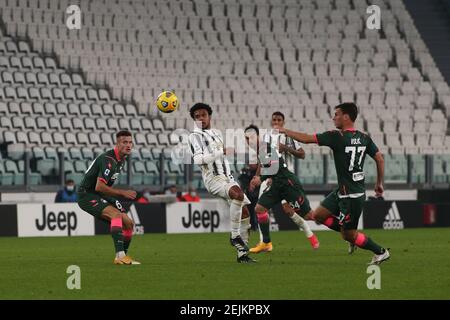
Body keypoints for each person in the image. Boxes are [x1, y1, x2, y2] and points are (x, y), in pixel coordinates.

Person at [276, 102, 390, 265]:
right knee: (318, 216)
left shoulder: (337, 137)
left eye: (336, 114)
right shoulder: (364, 138)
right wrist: (379, 184)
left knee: (348, 234)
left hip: (351, 195)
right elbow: (379, 158)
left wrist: (285, 131)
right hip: (342, 191)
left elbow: (308, 139)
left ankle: (380, 252)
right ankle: (350, 235)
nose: (333, 117)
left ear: (346, 116)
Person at [188, 102, 255, 263]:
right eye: (197, 117)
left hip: (228, 178)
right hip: (214, 179)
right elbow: (198, 159)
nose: (200, 118)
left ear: (209, 116)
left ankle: (242, 255)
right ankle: (234, 236)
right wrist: (221, 151)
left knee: (245, 213)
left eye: (203, 115)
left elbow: (221, 157)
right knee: (238, 195)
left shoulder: (216, 134)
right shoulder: (194, 136)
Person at [245, 125, 320, 253]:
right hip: (272, 180)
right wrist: (258, 176)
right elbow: (263, 163)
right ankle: (265, 242)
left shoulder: (289, 138)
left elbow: (302, 154)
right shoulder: (266, 141)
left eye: (279, 120)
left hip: (286, 180)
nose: (276, 122)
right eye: (274, 120)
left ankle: (314, 232)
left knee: (297, 212)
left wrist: (285, 148)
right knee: (260, 208)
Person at [77, 130, 140, 265]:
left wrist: (113, 198)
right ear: (117, 144)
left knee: (128, 223)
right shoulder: (108, 160)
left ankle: (123, 256)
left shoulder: (121, 160)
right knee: (116, 215)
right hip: (86, 195)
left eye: (130, 142)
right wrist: (122, 193)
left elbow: (103, 189)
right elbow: (99, 186)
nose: (128, 145)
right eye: (124, 142)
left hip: (100, 195)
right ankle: (119, 256)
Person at [237, 163, 260, 231]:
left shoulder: (258, 172)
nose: (251, 165)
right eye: (250, 163)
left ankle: (257, 226)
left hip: (257, 195)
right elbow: (241, 179)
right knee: (249, 211)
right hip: (248, 195)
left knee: (257, 210)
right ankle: (251, 226)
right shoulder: (246, 171)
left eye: (253, 163)